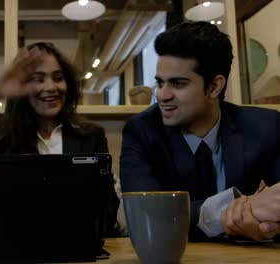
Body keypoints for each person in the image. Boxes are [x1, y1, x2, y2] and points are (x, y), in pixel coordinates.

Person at [0, 42, 120, 250]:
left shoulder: (91, 137)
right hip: (12, 250)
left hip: (74, 249)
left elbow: (106, 210)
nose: (50, 87)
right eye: (38, 79)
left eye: (58, 78)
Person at [119, 21, 280, 241]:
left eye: (178, 83)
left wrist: (268, 224)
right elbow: (146, 215)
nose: (161, 95)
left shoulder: (265, 126)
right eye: (160, 82)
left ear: (214, 87)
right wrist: (239, 209)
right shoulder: (142, 131)